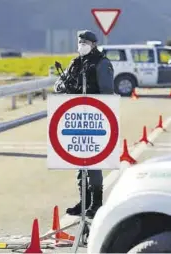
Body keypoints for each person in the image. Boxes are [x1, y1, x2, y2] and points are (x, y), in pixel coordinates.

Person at [54, 30, 114, 218]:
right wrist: (66, 87)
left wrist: (87, 95)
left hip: (95, 116)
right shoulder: (75, 63)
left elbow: (107, 92)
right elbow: (58, 85)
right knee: (80, 160)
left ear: (94, 44)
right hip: (76, 114)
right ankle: (84, 200)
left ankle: (96, 203)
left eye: (85, 42)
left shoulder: (102, 63)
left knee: (93, 161)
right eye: (79, 41)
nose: (81, 44)